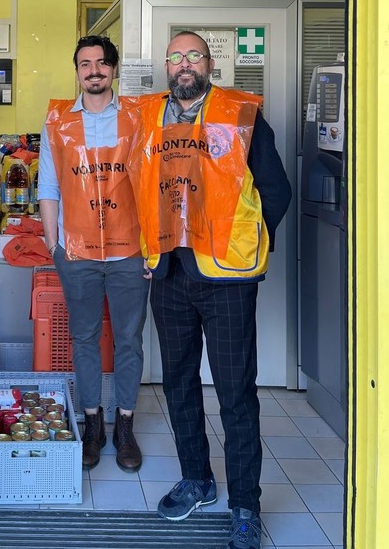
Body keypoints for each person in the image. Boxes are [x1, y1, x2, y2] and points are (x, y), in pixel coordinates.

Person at [129, 31, 292, 549]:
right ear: (167, 65)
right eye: (174, 57)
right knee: (178, 384)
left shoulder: (241, 113)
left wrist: (244, 243)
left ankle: (245, 505)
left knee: (236, 396)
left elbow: (276, 190)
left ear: (209, 63)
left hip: (225, 279)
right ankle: (197, 479)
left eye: (192, 56)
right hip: (168, 274)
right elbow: (132, 185)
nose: (182, 65)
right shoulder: (148, 117)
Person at [38, 35, 150, 472]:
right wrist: (53, 244)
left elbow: (151, 184)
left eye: (102, 63)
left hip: (129, 252)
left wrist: (152, 250)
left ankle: (125, 424)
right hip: (77, 250)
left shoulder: (139, 119)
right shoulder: (58, 122)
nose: (94, 71)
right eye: (85, 64)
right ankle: (92, 423)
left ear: (114, 69)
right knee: (82, 339)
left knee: (128, 340)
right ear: (77, 72)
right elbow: (48, 186)